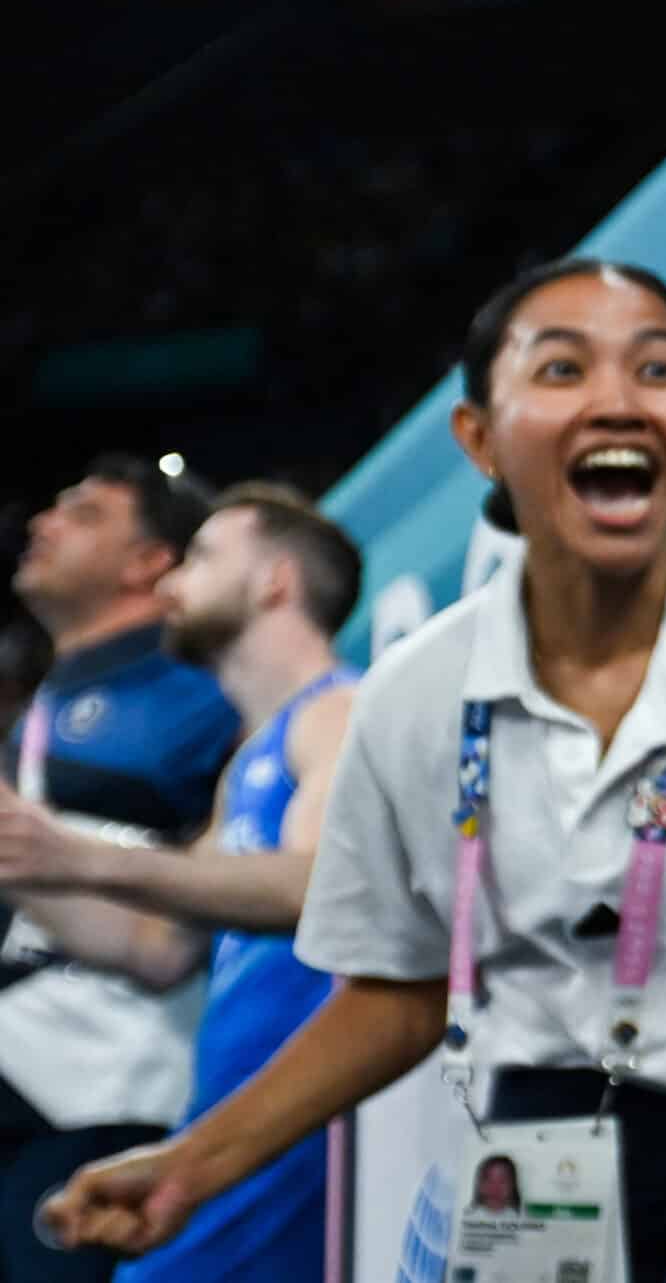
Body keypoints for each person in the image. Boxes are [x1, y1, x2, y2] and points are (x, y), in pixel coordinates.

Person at [43, 259, 666, 1283]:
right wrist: (192, 1165)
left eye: (658, 371)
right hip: (538, 1143)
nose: (617, 401)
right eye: (561, 370)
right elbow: (399, 992)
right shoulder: (418, 697)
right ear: (480, 438)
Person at [0, 481, 363, 1282]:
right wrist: (27, 856)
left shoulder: (339, 711)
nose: (169, 585)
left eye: (198, 559)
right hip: (224, 1129)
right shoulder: (247, 765)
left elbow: (318, 886)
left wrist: (76, 853)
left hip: (298, 1133)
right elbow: (156, 948)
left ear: (273, 580)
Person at [1, 456, 239, 1283]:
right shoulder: (41, 709)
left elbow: (173, 939)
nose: (43, 522)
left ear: (151, 562)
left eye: (86, 511)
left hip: (109, 1090)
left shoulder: (207, 691)